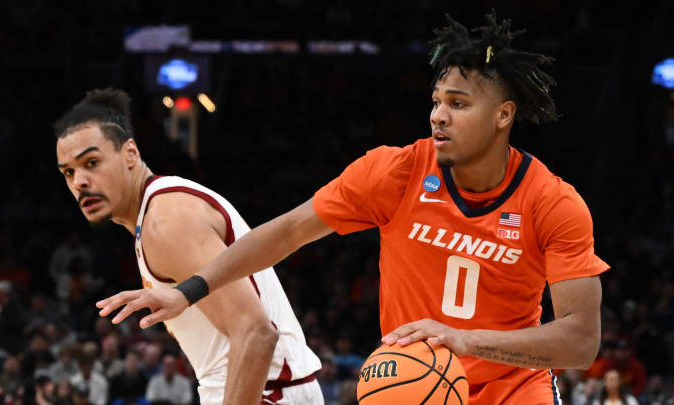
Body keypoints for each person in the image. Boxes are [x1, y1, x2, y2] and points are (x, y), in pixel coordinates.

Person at [97, 11, 611, 405]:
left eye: (458, 104)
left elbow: (580, 341)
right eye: (436, 101)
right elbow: (288, 231)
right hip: (412, 388)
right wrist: (189, 291)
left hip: (513, 393)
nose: (438, 116)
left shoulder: (553, 203)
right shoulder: (397, 172)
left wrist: (463, 341)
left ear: (503, 115)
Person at [53, 88, 323, 405]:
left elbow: (255, 333)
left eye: (92, 162)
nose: (79, 182)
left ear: (130, 154)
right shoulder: (155, 213)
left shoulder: (166, 221)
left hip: (267, 394)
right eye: (69, 172)